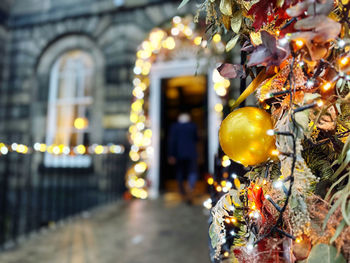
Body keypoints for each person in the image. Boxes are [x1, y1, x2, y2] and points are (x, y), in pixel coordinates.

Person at [168, 112, 198, 203]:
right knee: (192, 171)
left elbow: (172, 141)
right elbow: (196, 138)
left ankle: (182, 191)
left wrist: (171, 154)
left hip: (179, 153)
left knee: (180, 172)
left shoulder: (175, 127)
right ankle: (190, 187)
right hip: (191, 152)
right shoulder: (193, 126)